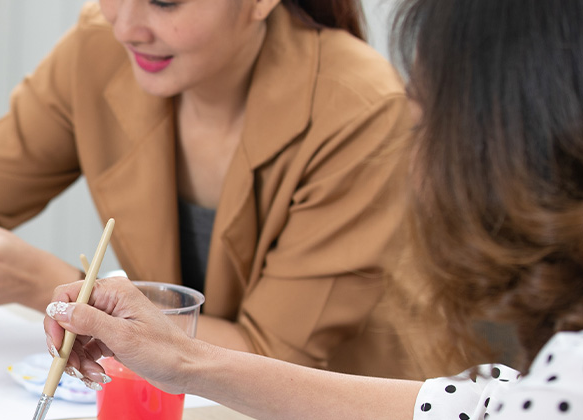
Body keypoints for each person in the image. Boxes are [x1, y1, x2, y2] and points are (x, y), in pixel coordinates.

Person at [0, 0, 416, 378]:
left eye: (166, 0)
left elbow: (275, 361)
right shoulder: (99, 48)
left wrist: (48, 288)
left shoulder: (361, 108)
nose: (127, 26)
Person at [41, 0, 583, 418]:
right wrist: (182, 361)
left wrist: (37, 277)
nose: (126, 25)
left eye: (422, 126)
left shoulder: (357, 105)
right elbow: (471, 406)